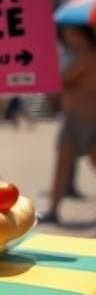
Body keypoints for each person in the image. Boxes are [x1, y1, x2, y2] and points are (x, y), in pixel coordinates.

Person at [45, 25, 96, 222]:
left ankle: (53, 210)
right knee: (62, 164)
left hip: (89, 120)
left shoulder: (87, 56)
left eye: (69, 32)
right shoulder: (75, 55)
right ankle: (53, 209)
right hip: (73, 119)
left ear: (80, 34)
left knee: (70, 164)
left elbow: (63, 81)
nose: (66, 36)